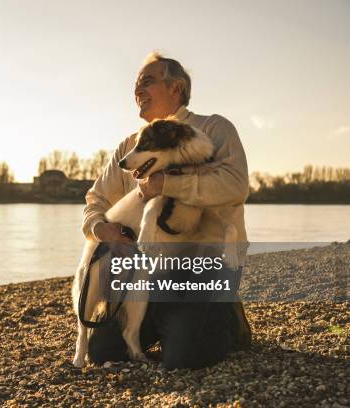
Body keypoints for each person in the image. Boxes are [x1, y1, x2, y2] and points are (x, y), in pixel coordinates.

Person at [82, 52, 252, 369]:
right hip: (146, 273)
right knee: (103, 352)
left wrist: (166, 185)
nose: (137, 90)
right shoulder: (128, 148)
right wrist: (103, 231)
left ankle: (226, 318)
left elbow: (234, 185)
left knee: (185, 358)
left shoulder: (215, 128)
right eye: (135, 84)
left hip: (205, 265)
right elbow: (97, 201)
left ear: (177, 87)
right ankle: (169, 317)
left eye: (147, 81)